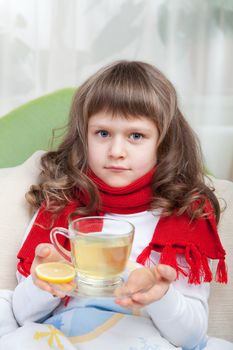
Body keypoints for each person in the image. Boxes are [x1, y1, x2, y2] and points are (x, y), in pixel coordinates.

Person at [12, 60, 227, 350]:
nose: (116, 152)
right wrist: (43, 285)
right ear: (84, 137)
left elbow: (191, 337)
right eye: (102, 133)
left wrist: (160, 296)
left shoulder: (182, 215)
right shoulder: (59, 203)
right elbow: (22, 315)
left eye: (136, 136)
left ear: (162, 144)